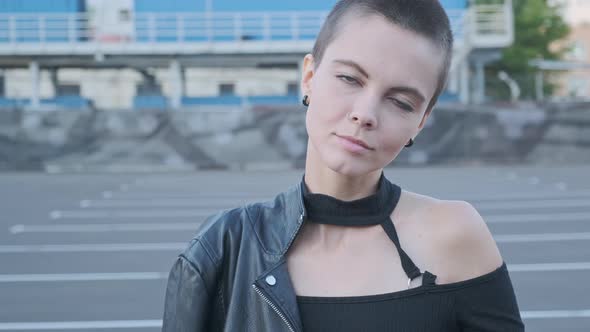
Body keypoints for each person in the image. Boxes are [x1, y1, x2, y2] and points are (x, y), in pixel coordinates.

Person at [162, 0, 525, 331]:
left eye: (400, 102)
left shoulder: (456, 236)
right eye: (350, 79)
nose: (364, 114)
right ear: (309, 77)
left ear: (421, 121)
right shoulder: (224, 247)